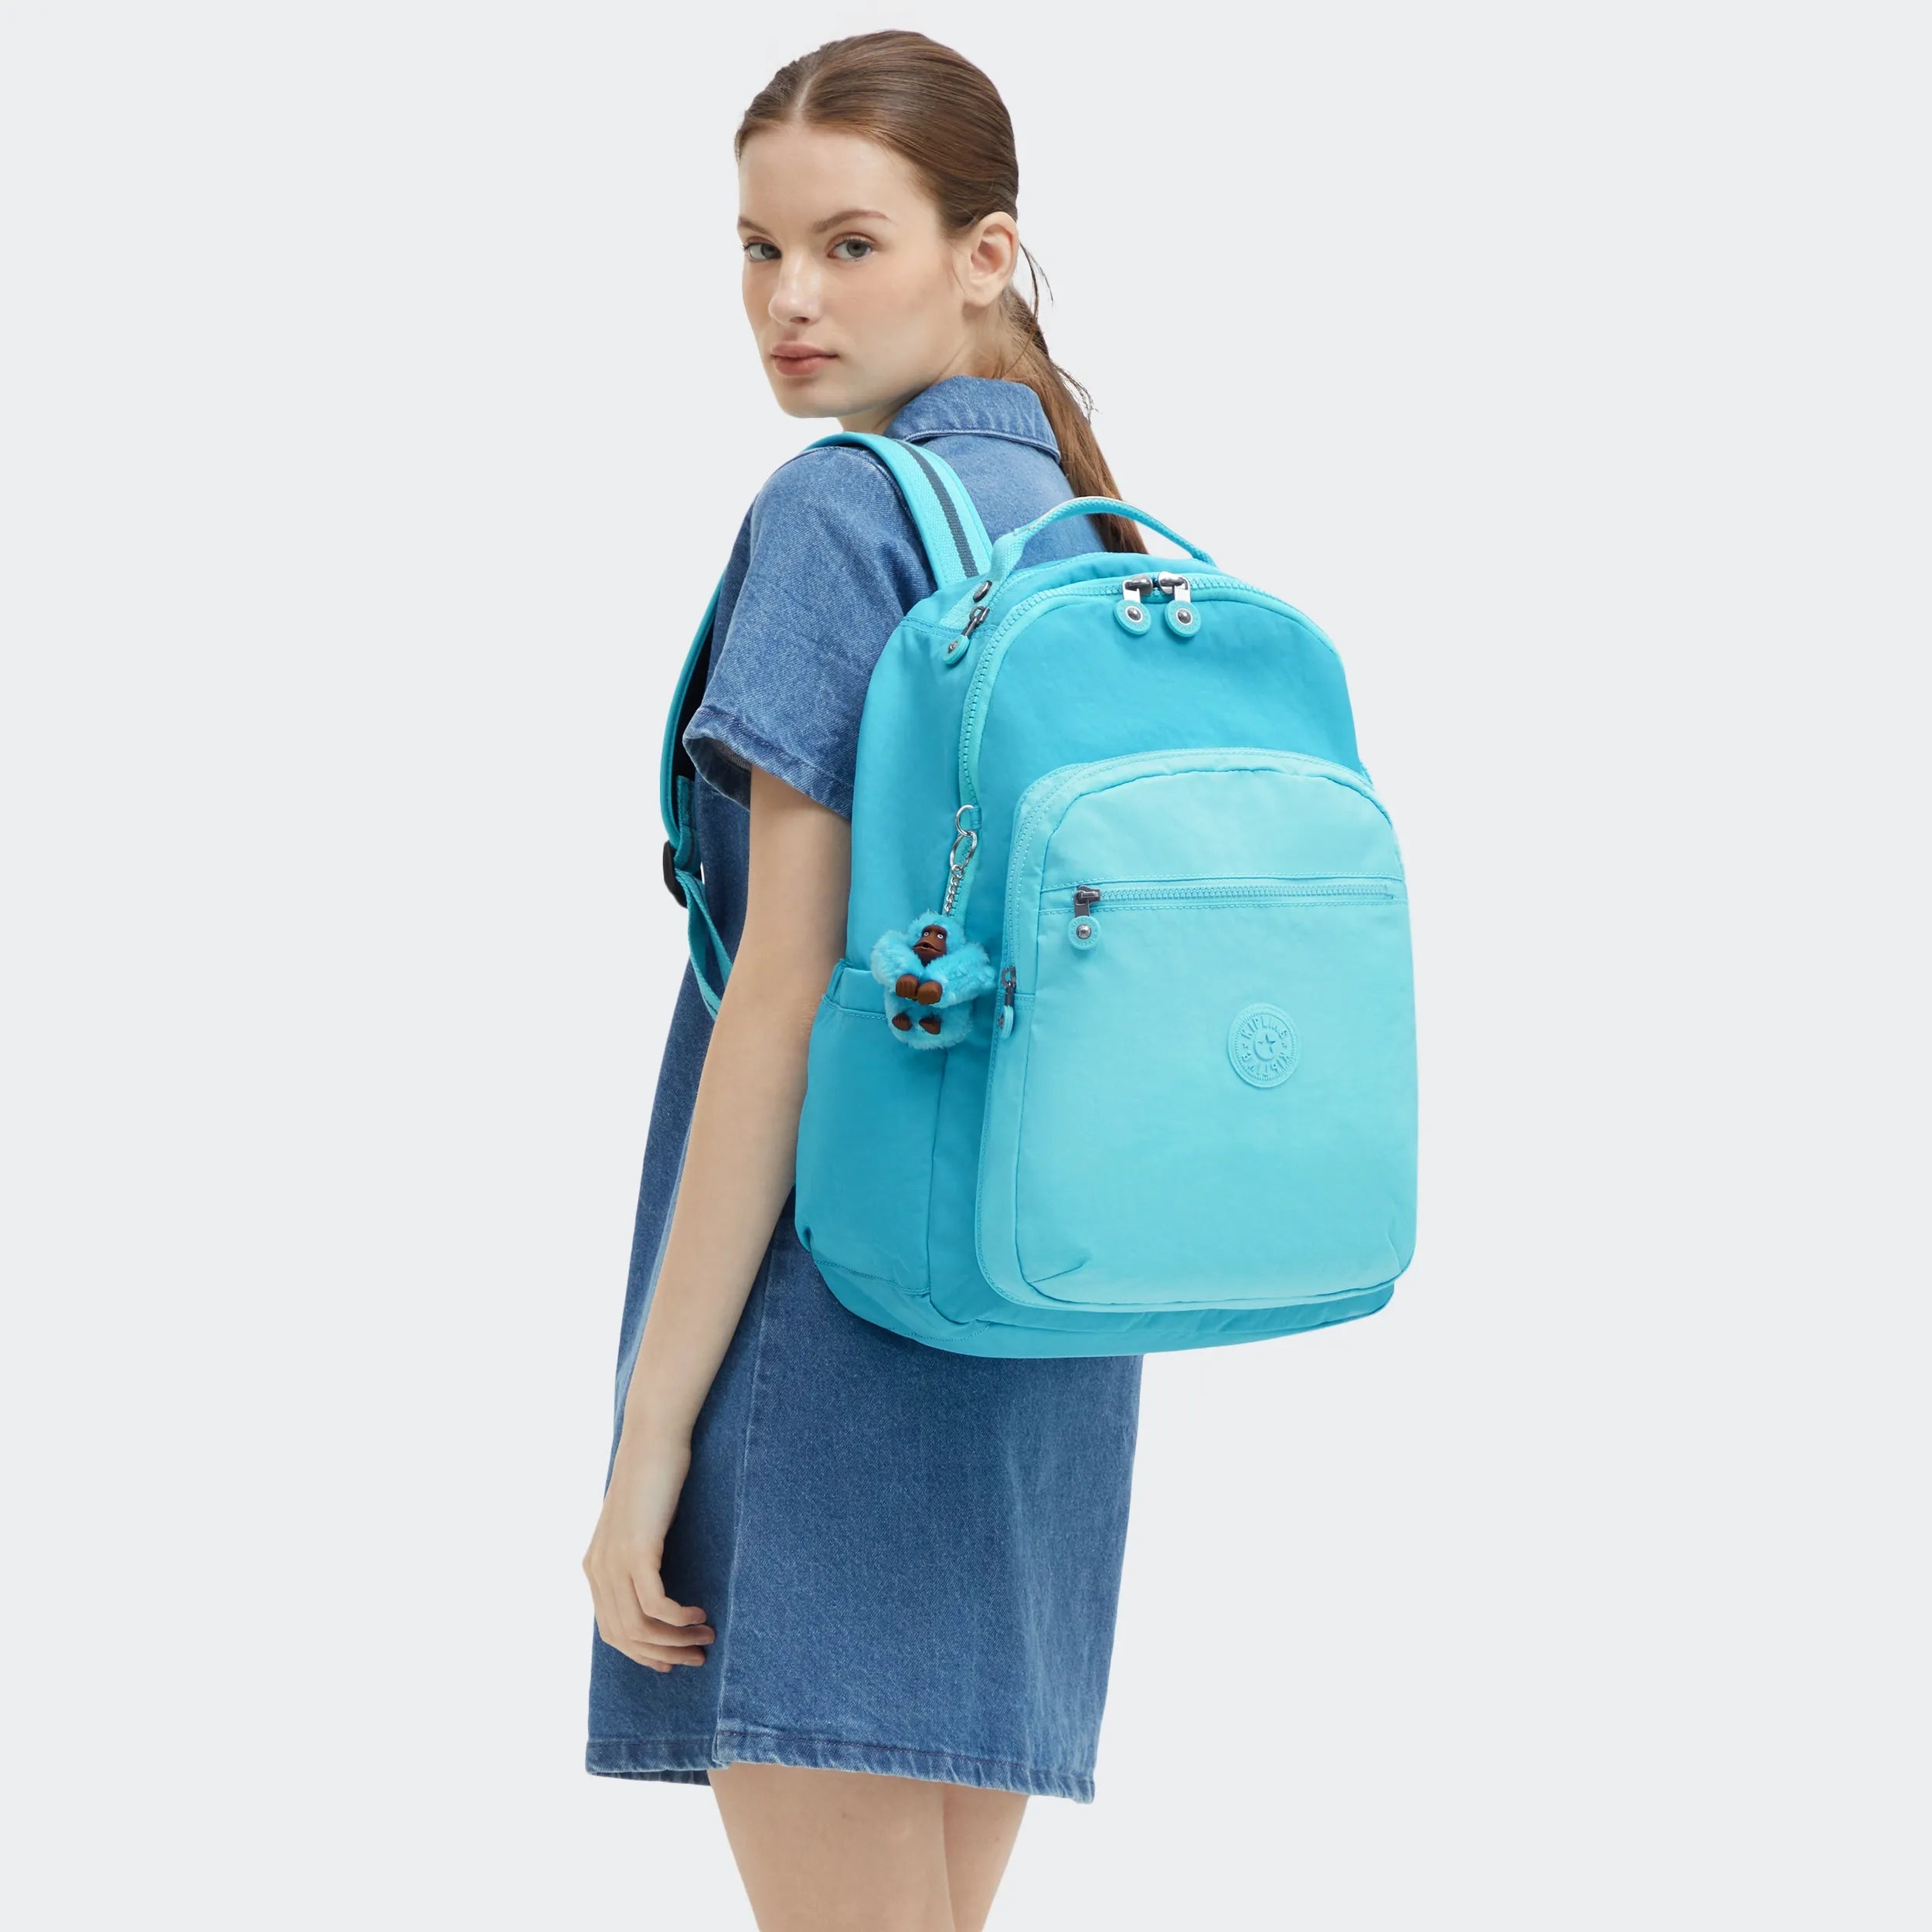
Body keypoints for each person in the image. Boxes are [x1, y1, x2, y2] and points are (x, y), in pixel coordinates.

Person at [583, 31, 1154, 1928]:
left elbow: (781, 996)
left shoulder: (838, 513)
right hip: (1042, 1329)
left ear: (985, 253)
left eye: (846, 245)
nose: (789, 302)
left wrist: (650, 1431)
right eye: (757, 250)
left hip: (834, 1320)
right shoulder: (1086, 528)